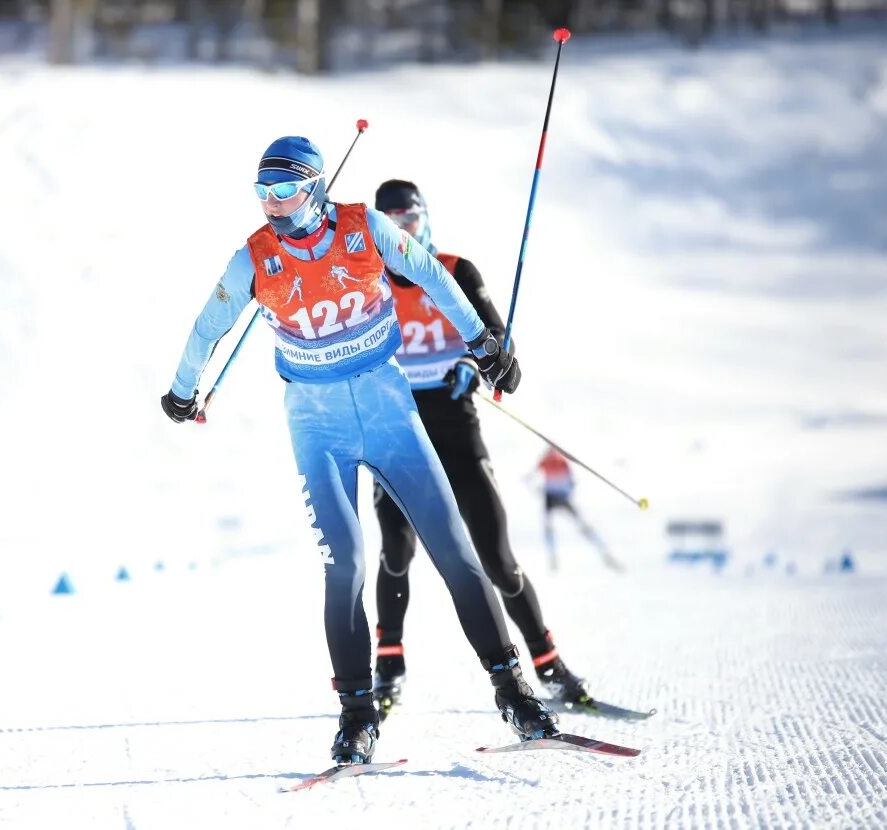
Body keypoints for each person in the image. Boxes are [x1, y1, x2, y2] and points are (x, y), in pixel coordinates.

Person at [160, 136, 557, 765]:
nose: (271, 204)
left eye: (284, 189)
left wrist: (483, 342)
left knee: (455, 551)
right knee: (343, 565)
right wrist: (184, 390)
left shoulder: (364, 227)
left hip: (387, 410)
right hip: (317, 427)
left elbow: (429, 272)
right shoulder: (255, 259)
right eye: (262, 192)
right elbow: (211, 324)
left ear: (314, 188)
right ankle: (356, 715)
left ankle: (514, 692)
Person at [368, 180, 595, 720]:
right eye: (391, 219)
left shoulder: (455, 271)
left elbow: (499, 342)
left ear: (425, 219)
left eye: (412, 217)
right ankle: (388, 669)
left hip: (458, 428)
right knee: (396, 552)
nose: (403, 229)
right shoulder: (365, 282)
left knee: (497, 558)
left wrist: (476, 365)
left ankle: (550, 665)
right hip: (398, 433)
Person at [536, 447, 624, 572]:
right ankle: (553, 557)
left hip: (555, 497)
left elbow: (569, 481)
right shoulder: (552, 461)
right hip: (556, 497)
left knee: (556, 528)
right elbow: (571, 481)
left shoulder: (553, 461)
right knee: (552, 528)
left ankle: (603, 552)